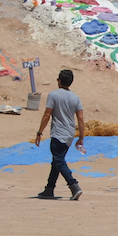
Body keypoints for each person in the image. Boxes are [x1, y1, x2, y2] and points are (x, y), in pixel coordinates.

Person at [34, 69, 85, 200]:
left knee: (59, 160)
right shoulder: (76, 98)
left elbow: (47, 114)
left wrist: (39, 132)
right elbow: (80, 118)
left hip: (58, 133)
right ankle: (49, 189)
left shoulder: (53, 95)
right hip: (69, 134)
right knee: (56, 161)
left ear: (59, 81)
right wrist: (81, 137)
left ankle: (74, 186)